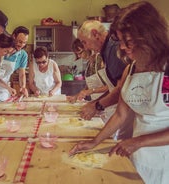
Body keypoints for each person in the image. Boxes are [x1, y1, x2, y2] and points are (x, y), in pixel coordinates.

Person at [70, 1, 169, 183]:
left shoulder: (166, 70)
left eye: (127, 41)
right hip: (136, 156)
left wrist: (139, 141)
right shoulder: (131, 69)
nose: (122, 47)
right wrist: (95, 141)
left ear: (148, 35)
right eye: (121, 41)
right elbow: (121, 114)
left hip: (163, 161)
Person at [77, 19, 133, 139]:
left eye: (84, 42)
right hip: (120, 112)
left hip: (127, 115)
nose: (85, 47)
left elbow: (120, 90)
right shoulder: (107, 49)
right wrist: (93, 104)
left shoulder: (113, 49)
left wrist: (97, 105)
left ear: (95, 34)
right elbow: (114, 87)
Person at [0, 26, 30, 102]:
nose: (22, 45)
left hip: (4, 89)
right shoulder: (1, 49)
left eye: (24, 42)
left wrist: (23, 87)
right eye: (20, 41)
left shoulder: (23, 55)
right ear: (13, 36)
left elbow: (22, 74)